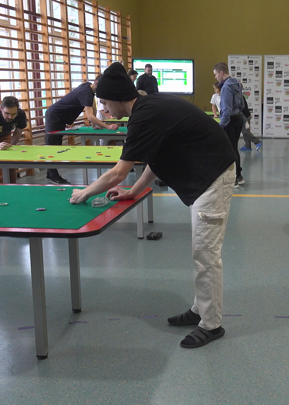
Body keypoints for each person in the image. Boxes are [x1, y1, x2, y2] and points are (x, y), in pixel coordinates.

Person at [68, 62, 236, 349]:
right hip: (207, 174)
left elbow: (117, 173)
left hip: (214, 176)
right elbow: (155, 158)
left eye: (105, 102)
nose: (104, 109)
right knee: (201, 252)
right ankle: (200, 309)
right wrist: (134, 191)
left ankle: (211, 324)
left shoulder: (145, 115)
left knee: (206, 255)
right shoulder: (148, 108)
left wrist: (84, 192)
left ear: (118, 98)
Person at [44, 75, 119, 184]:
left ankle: (49, 174)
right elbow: (89, 116)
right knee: (53, 147)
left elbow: (92, 106)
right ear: (96, 83)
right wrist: (107, 126)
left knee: (56, 145)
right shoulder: (86, 92)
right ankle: (54, 176)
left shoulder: (89, 87)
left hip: (60, 118)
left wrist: (94, 125)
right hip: (54, 116)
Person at [214, 62, 246, 188]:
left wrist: (221, 126)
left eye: (216, 74)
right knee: (234, 148)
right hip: (237, 118)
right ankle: (239, 176)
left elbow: (226, 110)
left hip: (230, 121)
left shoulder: (226, 87)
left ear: (222, 73)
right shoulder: (236, 83)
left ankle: (234, 179)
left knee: (229, 150)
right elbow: (242, 104)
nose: (215, 77)